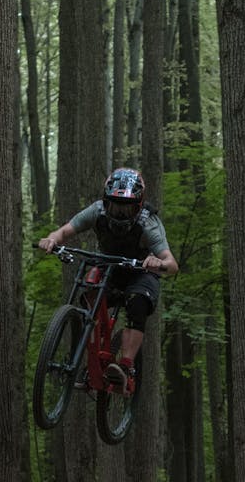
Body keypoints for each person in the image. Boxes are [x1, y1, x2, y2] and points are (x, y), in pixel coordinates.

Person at [38, 168, 178, 393]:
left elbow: (171, 264)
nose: (121, 212)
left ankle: (126, 366)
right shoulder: (96, 211)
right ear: (106, 201)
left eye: (127, 206)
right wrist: (51, 240)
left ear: (139, 205)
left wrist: (157, 263)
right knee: (88, 296)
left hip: (140, 272)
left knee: (137, 301)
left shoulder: (148, 223)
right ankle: (90, 362)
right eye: (115, 205)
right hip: (109, 268)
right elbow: (64, 232)